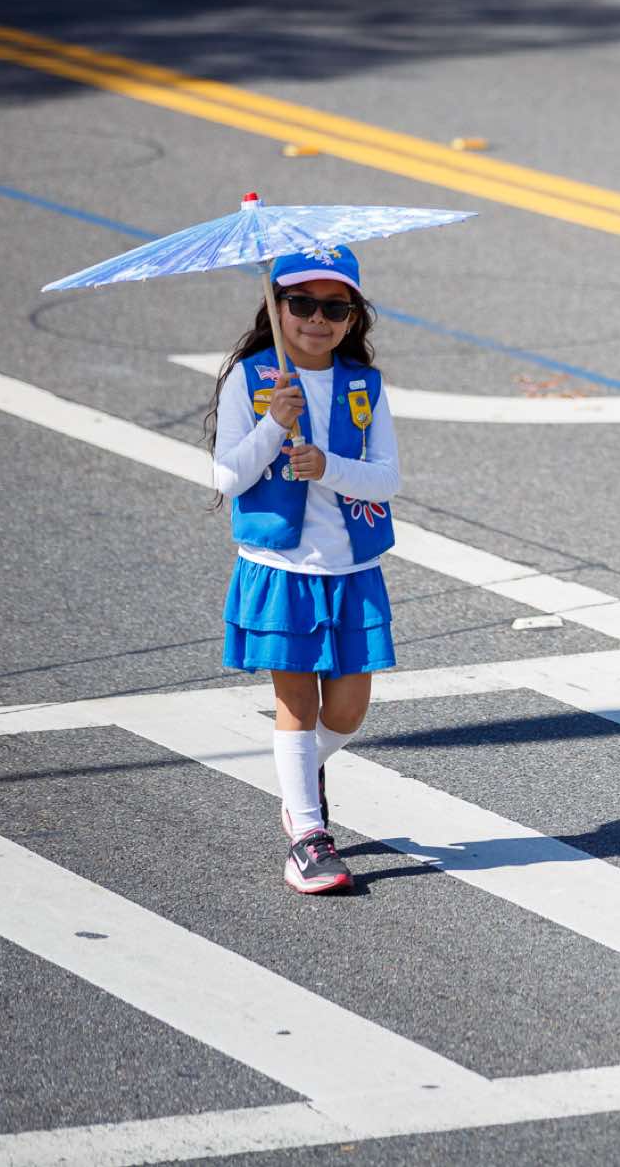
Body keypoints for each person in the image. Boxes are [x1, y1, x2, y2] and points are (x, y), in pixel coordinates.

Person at [209, 246, 400, 892]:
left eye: (335, 308)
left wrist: (329, 467)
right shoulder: (251, 379)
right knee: (296, 701)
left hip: (352, 567)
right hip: (280, 567)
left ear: (353, 317)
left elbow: (387, 477)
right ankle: (308, 840)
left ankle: (299, 776)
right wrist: (274, 423)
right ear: (279, 307)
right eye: (302, 304)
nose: (317, 319)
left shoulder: (365, 385)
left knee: (347, 710)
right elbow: (227, 475)